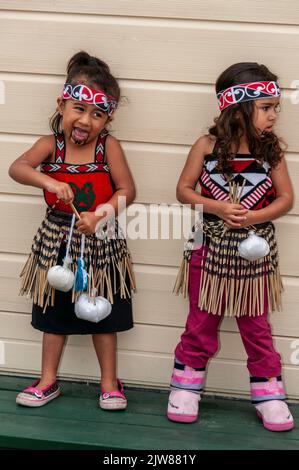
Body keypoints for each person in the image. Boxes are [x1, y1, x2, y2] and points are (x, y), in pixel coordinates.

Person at [167, 62, 295, 431]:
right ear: (238, 107)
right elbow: (184, 190)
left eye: (276, 108)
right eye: (267, 107)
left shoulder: (270, 152)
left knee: (256, 325)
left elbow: (286, 199)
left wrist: (254, 217)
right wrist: (219, 207)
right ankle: (186, 386)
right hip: (208, 249)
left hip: (253, 253)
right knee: (201, 321)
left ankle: (269, 392)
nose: (274, 116)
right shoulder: (206, 146)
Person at [9, 51, 136, 410]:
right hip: (56, 241)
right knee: (54, 313)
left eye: (98, 114)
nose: (86, 120)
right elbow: (17, 168)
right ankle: (48, 380)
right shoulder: (50, 145)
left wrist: (101, 214)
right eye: (78, 109)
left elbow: (127, 189)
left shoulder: (107, 146)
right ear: (62, 105)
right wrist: (48, 181)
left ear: (108, 118)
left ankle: (110, 382)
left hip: (101, 238)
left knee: (103, 313)